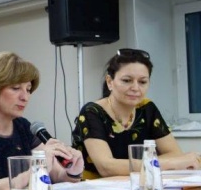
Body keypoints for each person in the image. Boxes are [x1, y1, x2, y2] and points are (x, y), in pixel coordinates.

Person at [0, 51, 84, 190]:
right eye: (15, 88)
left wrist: (73, 169)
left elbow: (57, 176)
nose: (25, 97)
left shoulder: (23, 126)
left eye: (28, 90)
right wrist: (35, 170)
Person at [72, 48, 200, 178]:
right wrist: (168, 163)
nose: (135, 88)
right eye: (127, 80)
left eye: (142, 82)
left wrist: (170, 161)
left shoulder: (147, 108)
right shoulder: (92, 112)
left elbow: (175, 154)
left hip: (136, 183)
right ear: (110, 82)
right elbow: (106, 167)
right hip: (95, 187)